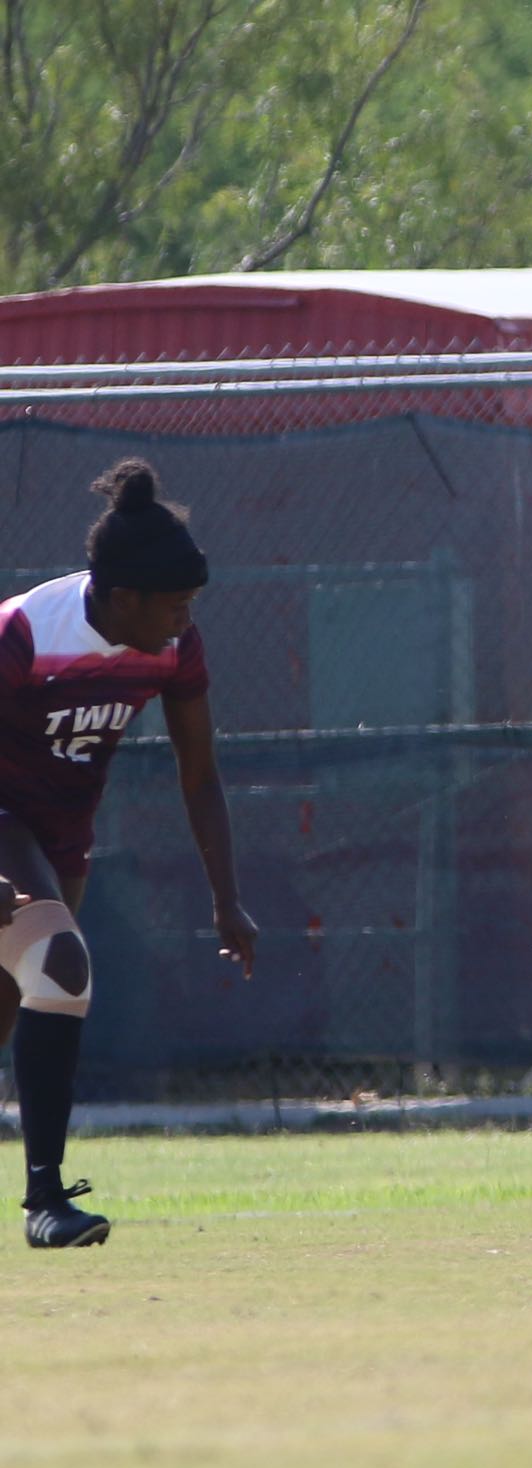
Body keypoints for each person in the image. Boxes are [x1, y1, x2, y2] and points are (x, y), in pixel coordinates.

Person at [0, 459, 258, 1247]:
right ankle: (46, 1203)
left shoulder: (172, 648)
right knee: (63, 967)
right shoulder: (24, 634)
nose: (186, 617)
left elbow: (200, 773)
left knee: (17, 1000)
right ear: (122, 597)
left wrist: (225, 896)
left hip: (59, 837)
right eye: (175, 603)